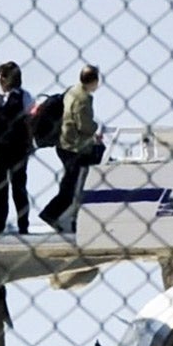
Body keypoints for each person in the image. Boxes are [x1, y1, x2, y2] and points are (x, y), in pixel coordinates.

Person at [40, 64, 101, 232]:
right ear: (94, 81)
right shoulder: (84, 98)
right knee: (72, 186)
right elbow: (85, 126)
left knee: (68, 183)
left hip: (64, 144)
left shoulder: (72, 91)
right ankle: (54, 214)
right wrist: (96, 128)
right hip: (75, 147)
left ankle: (53, 213)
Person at [0, 61, 33, 235]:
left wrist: (29, 143)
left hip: (18, 147)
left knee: (19, 187)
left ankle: (23, 224)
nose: (1, 80)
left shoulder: (23, 96)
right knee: (0, 188)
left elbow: (29, 121)